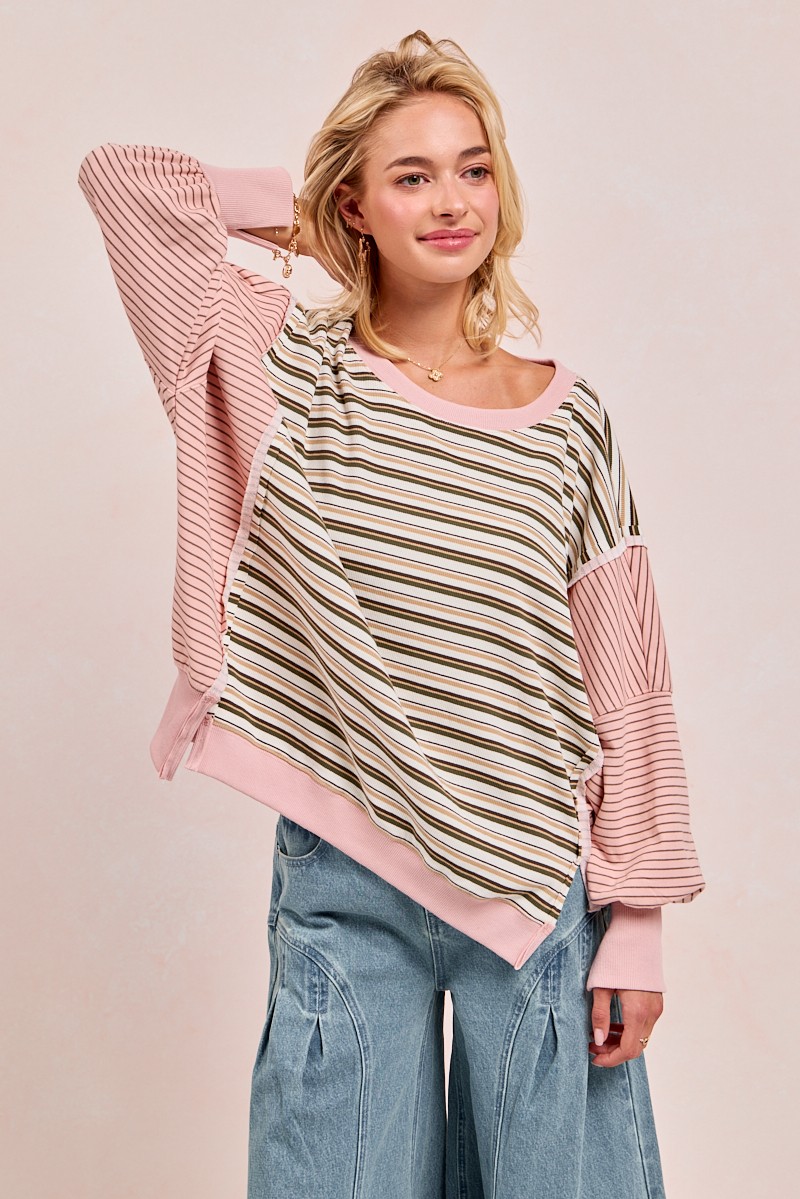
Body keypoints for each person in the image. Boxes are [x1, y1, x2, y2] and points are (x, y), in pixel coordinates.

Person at [77, 29, 705, 1199]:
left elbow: (629, 681)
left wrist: (637, 919)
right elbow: (123, 183)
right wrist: (310, 219)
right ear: (355, 205)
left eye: (473, 168)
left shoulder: (569, 420)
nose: (451, 201)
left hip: (533, 880)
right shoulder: (284, 372)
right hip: (345, 871)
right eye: (410, 177)